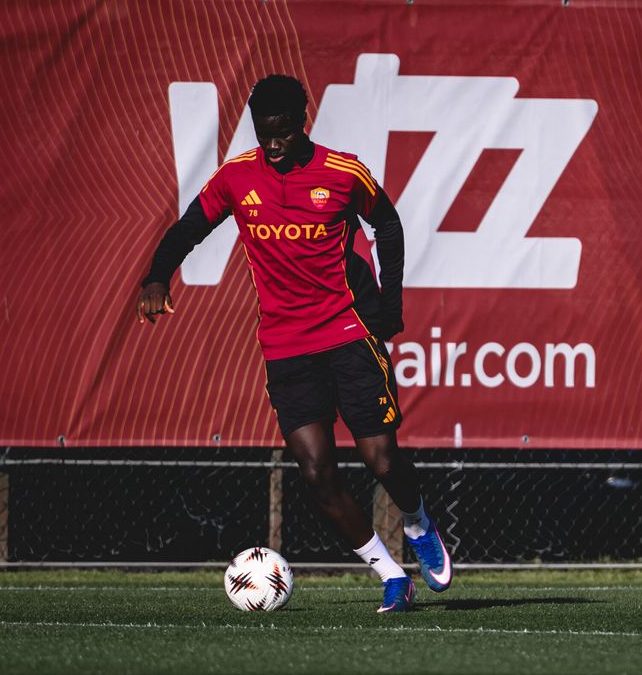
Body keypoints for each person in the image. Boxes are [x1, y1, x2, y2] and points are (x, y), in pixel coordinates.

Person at [136, 74, 452, 613]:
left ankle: (418, 519)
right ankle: (392, 576)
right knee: (316, 472)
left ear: (301, 122)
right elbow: (188, 228)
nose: (274, 142)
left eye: (282, 131)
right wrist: (157, 276)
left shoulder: (342, 172)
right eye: (265, 132)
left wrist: (389, 308)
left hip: (349, 335)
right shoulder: (238, 178)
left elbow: (389, 225)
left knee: (380, 459)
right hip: (286, 347)